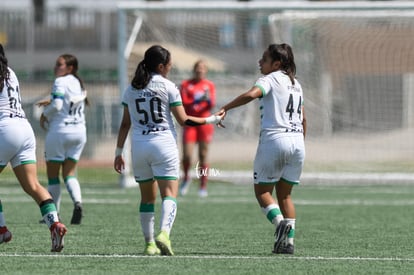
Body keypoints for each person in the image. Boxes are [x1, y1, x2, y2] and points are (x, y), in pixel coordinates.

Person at [113, 45, 224, 256]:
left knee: (146, 199)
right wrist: (213, 119)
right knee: (169, 195)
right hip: (163, 144)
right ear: (161, 66)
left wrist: (119, 152)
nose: (171, 68)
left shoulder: (131, 88)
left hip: (139, 147)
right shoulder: (168, 86)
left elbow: (125, 124)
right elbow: (184, 120)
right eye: (170, 65)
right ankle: (164, 234)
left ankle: (149, 245)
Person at [216, 43, 306, 255]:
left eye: (264, 59)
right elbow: (304, 118)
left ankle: (279, 224)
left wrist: (225, 107)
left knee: (263, 192)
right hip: (297, 142)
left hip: (275, 139)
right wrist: (300, 142)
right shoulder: (297, 84)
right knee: (286, 197)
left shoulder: (270, 79)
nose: (259, 62)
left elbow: (252, 94)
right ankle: (289, 243)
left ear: (276, 64)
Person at [0, 43, 67, 252]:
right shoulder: (9, 72)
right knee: (33, 186)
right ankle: (54, 224)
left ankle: (2, 230)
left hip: (4, 129)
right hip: (24, 130)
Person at [37, 54, 88, 225]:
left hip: (60, 131)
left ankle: (54, 215)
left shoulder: (60, 82)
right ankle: (78, 203)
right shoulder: (77, 82)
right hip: (79, 131)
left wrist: (44, 114)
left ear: (70, 67)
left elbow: (58, 106)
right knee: (69, 173)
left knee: (53, 176)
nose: (55, 67)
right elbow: (65, 103)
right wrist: (50, 101)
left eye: (59, 65)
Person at [179, 60, 216, 198]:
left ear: (206, 70)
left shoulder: (209, 85)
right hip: (190, 122)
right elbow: (184, 103)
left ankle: (203, 184)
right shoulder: (185, 85)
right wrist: (198, 100)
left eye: (203, 68)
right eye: (198, 68)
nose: (200, 70)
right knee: (187, 155)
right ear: (194, 69)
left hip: (205, 123)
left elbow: (211, 103)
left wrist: (205, 100)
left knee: (203, 155)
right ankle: (186, 177)